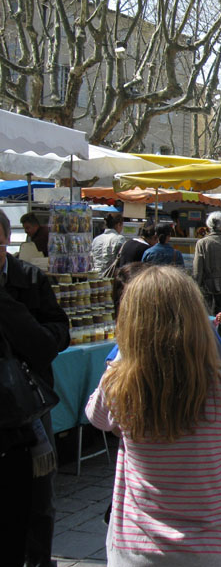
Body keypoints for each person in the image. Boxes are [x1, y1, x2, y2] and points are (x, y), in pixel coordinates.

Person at [85, 266, 221, 566]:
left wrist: (122, 359)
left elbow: (97, 418)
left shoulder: (121, 381)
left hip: (133, 549)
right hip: (208, 549)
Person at [0, 210, 70, 567]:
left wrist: (38, 340)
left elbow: (58, 331)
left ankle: (40, 559)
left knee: (38, 492)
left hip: (28, 404)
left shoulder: (29, 278)